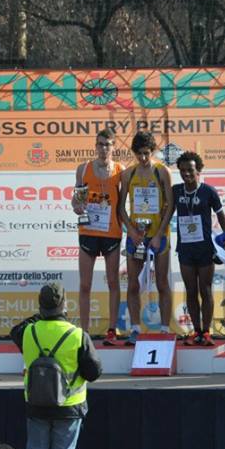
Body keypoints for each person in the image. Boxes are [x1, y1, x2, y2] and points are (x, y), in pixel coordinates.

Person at [10, 283, 102, 449]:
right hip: (70, 406)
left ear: (40, 305)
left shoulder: (28, 332)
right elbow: (94, 372)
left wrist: (40, 315)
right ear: (65, 304)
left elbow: (15, 330)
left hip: (36, 404)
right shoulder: (77, 335)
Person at [118, 131, 175, 345]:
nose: (143, 158)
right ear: (134, 153)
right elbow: (120, 207)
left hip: (159, 235)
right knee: (133, 284)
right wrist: (131, 231)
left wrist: (159, 234)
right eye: (139, 154)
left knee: (162, 282)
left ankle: (164, 330)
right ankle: (135, 329)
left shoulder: (162, 171)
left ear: (152, 151)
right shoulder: (128, 174)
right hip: (136, 236)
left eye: (146, 153)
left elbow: (170, 206)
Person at [171, 151, 225, 346]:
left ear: (198, 170)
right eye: (182, 171)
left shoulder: (208, 191)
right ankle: (196, 331)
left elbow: (221, 215)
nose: (186, 174)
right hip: (185, 250)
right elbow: (167, 215)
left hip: (205, 248)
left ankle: (206, 332)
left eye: (190, 170)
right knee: (190, 291)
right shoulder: (176, 191)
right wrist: (157, 235)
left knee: (205, 290)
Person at [72, 129, 125, 344]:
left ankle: (112, 330)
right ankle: (84, 332)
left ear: (114, 147)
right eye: (101, 144)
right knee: (85, 284)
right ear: (95, 146)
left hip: (111, 232)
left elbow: (123, 203)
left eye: (108, 144)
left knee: (113, 282)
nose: (104, 148)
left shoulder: (121, 171)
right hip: (89, 231)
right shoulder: (83, 169)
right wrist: (77, 206)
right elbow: (76, 198)